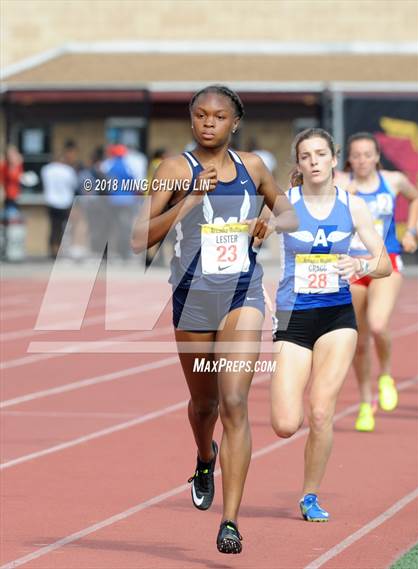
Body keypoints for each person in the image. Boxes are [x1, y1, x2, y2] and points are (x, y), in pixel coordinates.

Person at [131, 85, 297, 553]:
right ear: (191, 120)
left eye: (218, 116)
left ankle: (230, 522)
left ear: (234, 122)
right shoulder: (173, 168)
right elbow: (137, 238)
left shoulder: (254, 168)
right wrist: (187, 200)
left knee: (235, 403)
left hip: (243, 292)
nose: (208, 123)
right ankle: (205, 457)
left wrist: (272, 222)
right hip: (193, 299)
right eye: (200, 115)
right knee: (203, 407)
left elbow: (288, 212)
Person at [270, 128, 391, 522]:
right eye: (306, 156)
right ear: (299, 164)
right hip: (293, 316)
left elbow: (384, 263)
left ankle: (309, 496)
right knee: (286, 424)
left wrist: (360, 264)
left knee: (321, 412)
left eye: (321, 154)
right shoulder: (284, 205)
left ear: (334, 159)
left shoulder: (352, 206)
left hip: (337, 316)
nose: (315, 161)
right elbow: (246, 248)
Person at [335, 132, 418, 432]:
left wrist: (412, 231)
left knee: (379, 324)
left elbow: (415, 197)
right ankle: (365, 401)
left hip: (386, 262)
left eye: (367, 154)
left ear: (376, 156)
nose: (362, 160)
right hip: (353, 267)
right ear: (349, 159)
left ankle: (385, 375)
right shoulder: (341, 185)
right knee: (358, 340)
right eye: (356, 155)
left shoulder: (393, 180)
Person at [41, 140, 78, 258]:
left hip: (51, 201)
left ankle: (53, 250)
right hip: (65, 202)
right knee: (63, 228)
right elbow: (74, 185)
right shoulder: (68, 170)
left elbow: (44, 185)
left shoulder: (46, 170)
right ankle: (61, 250)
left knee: (53, 227)